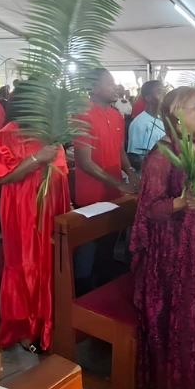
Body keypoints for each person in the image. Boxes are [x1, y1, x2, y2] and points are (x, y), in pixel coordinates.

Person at [130, 86, 195, 389]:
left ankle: (190, 373)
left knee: (193, 312)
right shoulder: (161, 155)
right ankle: (167, 381)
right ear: (176, 116)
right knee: (173, 315)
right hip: (170, 251)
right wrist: (181, 203)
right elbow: (150, 208)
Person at [0, 82, 70, 353]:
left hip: (52, 207)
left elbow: (61, 174)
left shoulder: (51, 134)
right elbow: (3, 177)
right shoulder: (8, 134)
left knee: (50, 262)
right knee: (26, 263)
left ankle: (48, 323)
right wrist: (37, 158)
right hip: (22, 209)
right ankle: (25, 327)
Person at [74, 68, 140, 294]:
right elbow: (84, 162)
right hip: (91, 195)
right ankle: (82, 293)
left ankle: (102, 289)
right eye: (110, 83)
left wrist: (130, 173)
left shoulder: (116, 115)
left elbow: (119, 149)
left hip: (113, 193)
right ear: (93, 88)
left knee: (108, 246)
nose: (116, 87)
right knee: (88, 248)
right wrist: (118, 183)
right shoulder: (83, 115)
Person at [127, 80, 166, 157]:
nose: (163, 96)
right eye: (159, 93)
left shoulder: (161, 119)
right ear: (148, 98)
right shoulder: (139, 123)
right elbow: (135, 156)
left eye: (164, 93)